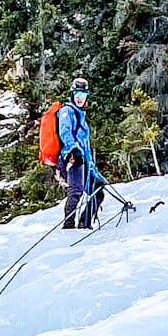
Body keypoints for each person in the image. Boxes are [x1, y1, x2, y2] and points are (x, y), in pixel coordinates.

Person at [57, 77, 102, 230]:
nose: (79, 98)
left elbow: (86, 146)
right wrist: (73, 149)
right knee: (76, 191)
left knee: (99, 189)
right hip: (73, 158)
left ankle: (84, 223)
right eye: (77, 94)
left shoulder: (80, 116)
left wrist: (92, 168)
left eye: (83, 95)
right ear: (72, 94)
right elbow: (65, 132)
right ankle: (68, 226)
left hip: (84, 160)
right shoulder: (67, 111)